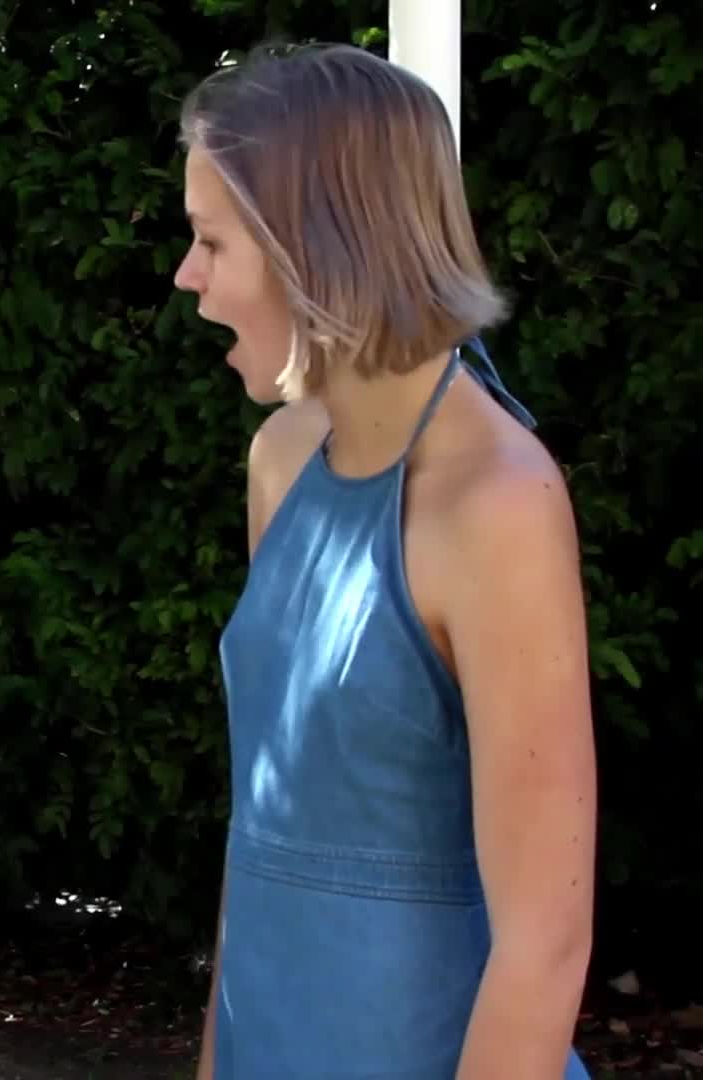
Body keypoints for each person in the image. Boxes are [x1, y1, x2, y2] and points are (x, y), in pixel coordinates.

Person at [172, 44, 597, 1078]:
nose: (188, 276)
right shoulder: (279, 459)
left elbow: (544, 947)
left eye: (211, 241)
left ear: (315, 248)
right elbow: (263, 825)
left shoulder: (497, 503)